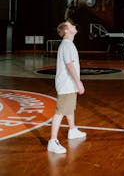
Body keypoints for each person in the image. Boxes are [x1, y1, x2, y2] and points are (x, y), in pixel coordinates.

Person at [47, 21, 86, 154]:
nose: (74, 26)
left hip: (69, 84)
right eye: (71, 26)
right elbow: (69, 66)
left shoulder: (69, 44)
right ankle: (52, 141)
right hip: (66, 84)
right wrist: (79, 82)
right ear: (66, 31)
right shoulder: (66, 45)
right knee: (60, 112)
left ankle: (72, 130)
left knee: (69, 108)